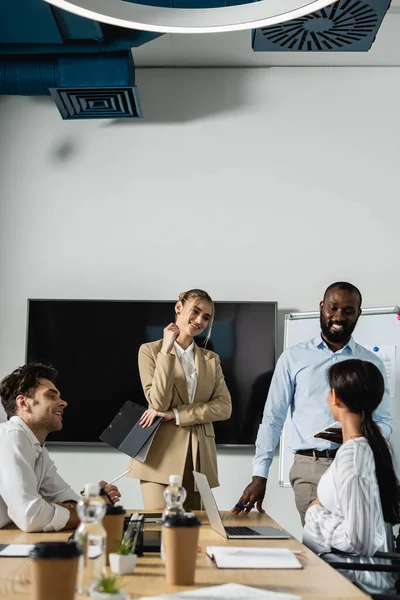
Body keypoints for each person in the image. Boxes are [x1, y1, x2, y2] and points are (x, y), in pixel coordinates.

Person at [233, 282, 392, 524]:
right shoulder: (294, 358)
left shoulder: (370, 363)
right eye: (333, 307)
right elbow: (272, 418)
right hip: (311, 466)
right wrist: (259, 475)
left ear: (358, 314)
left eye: (348, 310)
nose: (339, 316)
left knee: (355, 545)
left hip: (360, 464)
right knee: (320, 547)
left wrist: (356, 434)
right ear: (322, 307)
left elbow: (384, 422)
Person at [128, 289, 232, 510]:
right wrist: (166, 351)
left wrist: (176, 415)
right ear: (179, 308)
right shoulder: (150, 351)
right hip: (158, 457)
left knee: (196, 532)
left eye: (206, 317)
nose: (199, 320)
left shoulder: (211, 359)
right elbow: (157, 403)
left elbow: (224, 407)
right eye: (195, 311)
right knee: (158, 530)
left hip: (199, 457)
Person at [303, 359, 400, 595]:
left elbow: (360, 541)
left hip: (353, 585)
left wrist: (315, 514)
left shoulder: (354, 454)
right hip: (343, 575)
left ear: (335, 397)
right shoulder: (368, 445)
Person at [0, 363, 121, 532]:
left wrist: (91, 502)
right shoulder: (13, 436)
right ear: (23, 402)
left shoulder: (39, 449)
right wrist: (91, 508)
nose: (63, 403)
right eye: (51, 396)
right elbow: (31, 516)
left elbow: (66, 497)